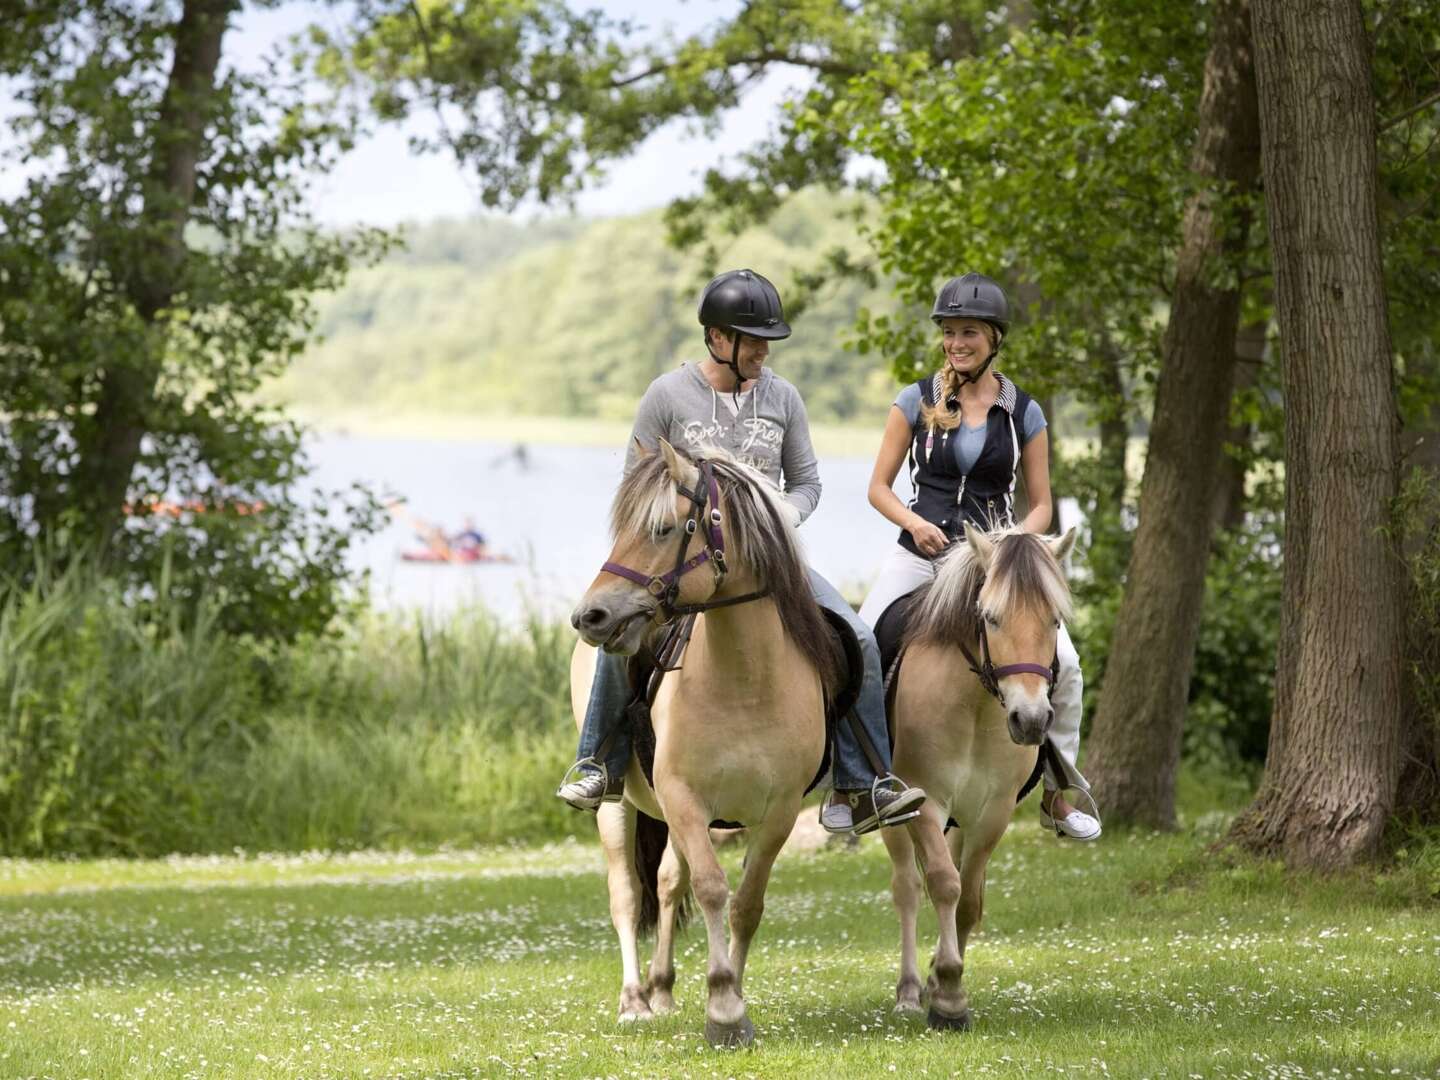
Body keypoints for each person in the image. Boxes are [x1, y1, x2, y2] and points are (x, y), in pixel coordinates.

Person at [557, 268, 926, 835]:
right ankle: (600, 763)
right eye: (751, 340)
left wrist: (774, 524)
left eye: (765, 342)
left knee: (856, 636)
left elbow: (807, 483)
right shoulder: (667, 395)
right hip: (687, 559)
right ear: (717, 339)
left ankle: (862, 782)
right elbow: (637, 483)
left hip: (772, 562)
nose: (760, 351)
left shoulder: (784, 398)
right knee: (619, 630)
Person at [857, 272, 1101, 841]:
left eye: (968, 332)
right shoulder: (915, 399)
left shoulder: (1025, 413)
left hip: (994, 562)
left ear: (994, 339)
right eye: (948, 332)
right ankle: (859, 780)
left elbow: (1041, 506)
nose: (955, 342)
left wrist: (1011, 546)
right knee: (862, 644)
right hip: (922, 553)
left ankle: (1058, 792)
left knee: (1067, 664)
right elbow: (878, 488)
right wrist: (914, 522)